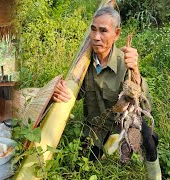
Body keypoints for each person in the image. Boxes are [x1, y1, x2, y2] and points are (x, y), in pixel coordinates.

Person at [53, 6, 161, 179]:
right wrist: (58, 91)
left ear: (116, 34)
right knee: (82, 168)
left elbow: (143, 103)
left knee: (148, 137)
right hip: (95, 131)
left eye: (103, 31)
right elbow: (74, 94)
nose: (96, 37)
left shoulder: (124, 63)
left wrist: (136, 71)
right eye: (93, 29)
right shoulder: (84, 64)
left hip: (120, 128)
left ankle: (156, 174)